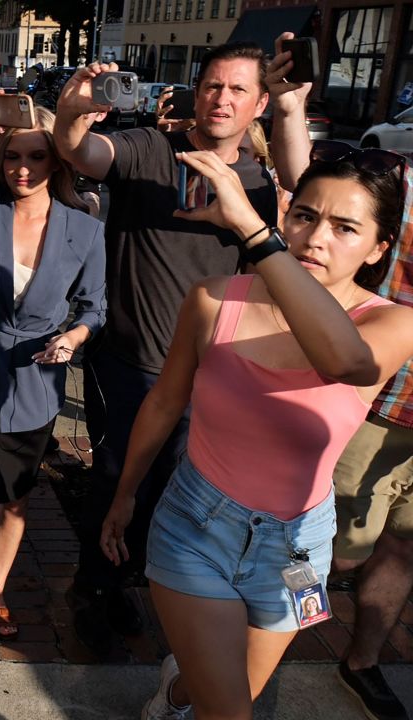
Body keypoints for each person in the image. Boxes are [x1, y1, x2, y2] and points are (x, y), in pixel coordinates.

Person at [98, 144, 413, 720]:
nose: (317, 238)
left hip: (300, 549)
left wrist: (256, 235)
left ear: (378, 247)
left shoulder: (394, 323)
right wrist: (124, 496)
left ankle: (175, 693)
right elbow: (165, 402)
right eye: (305, 216)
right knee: (232, 713)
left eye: (345, 227)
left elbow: (345, 363)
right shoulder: (214, 300)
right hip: (196, 525)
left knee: (226, 688)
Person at [53, 38, 313, 656]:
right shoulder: (150, 147)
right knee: (120, 474)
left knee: (178, 482)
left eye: (238, 90)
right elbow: (81, 152)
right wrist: (70, 115)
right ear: (196, 93)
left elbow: (309, 194)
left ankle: (135, 575)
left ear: (258, 105)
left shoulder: (262, 179)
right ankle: (95, 587)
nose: (221, 99)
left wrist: (294, 111)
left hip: (217, 369)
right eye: (212, 86)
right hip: (133, 361)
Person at [0, 94, 106, 650]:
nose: (22, 169)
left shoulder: (85, 229)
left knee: (16, 501)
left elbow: (95, 307)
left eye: (35, 156)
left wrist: (74, 337)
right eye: (12, 156)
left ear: (56, 161)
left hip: (35, 381)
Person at [330, 175, 413, 720]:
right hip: (385, 403)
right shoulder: (403, 186)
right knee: (325, 549)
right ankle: (248, 656)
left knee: (405, 546)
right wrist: (290, 107)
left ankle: (360, 663)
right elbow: (305, 176)